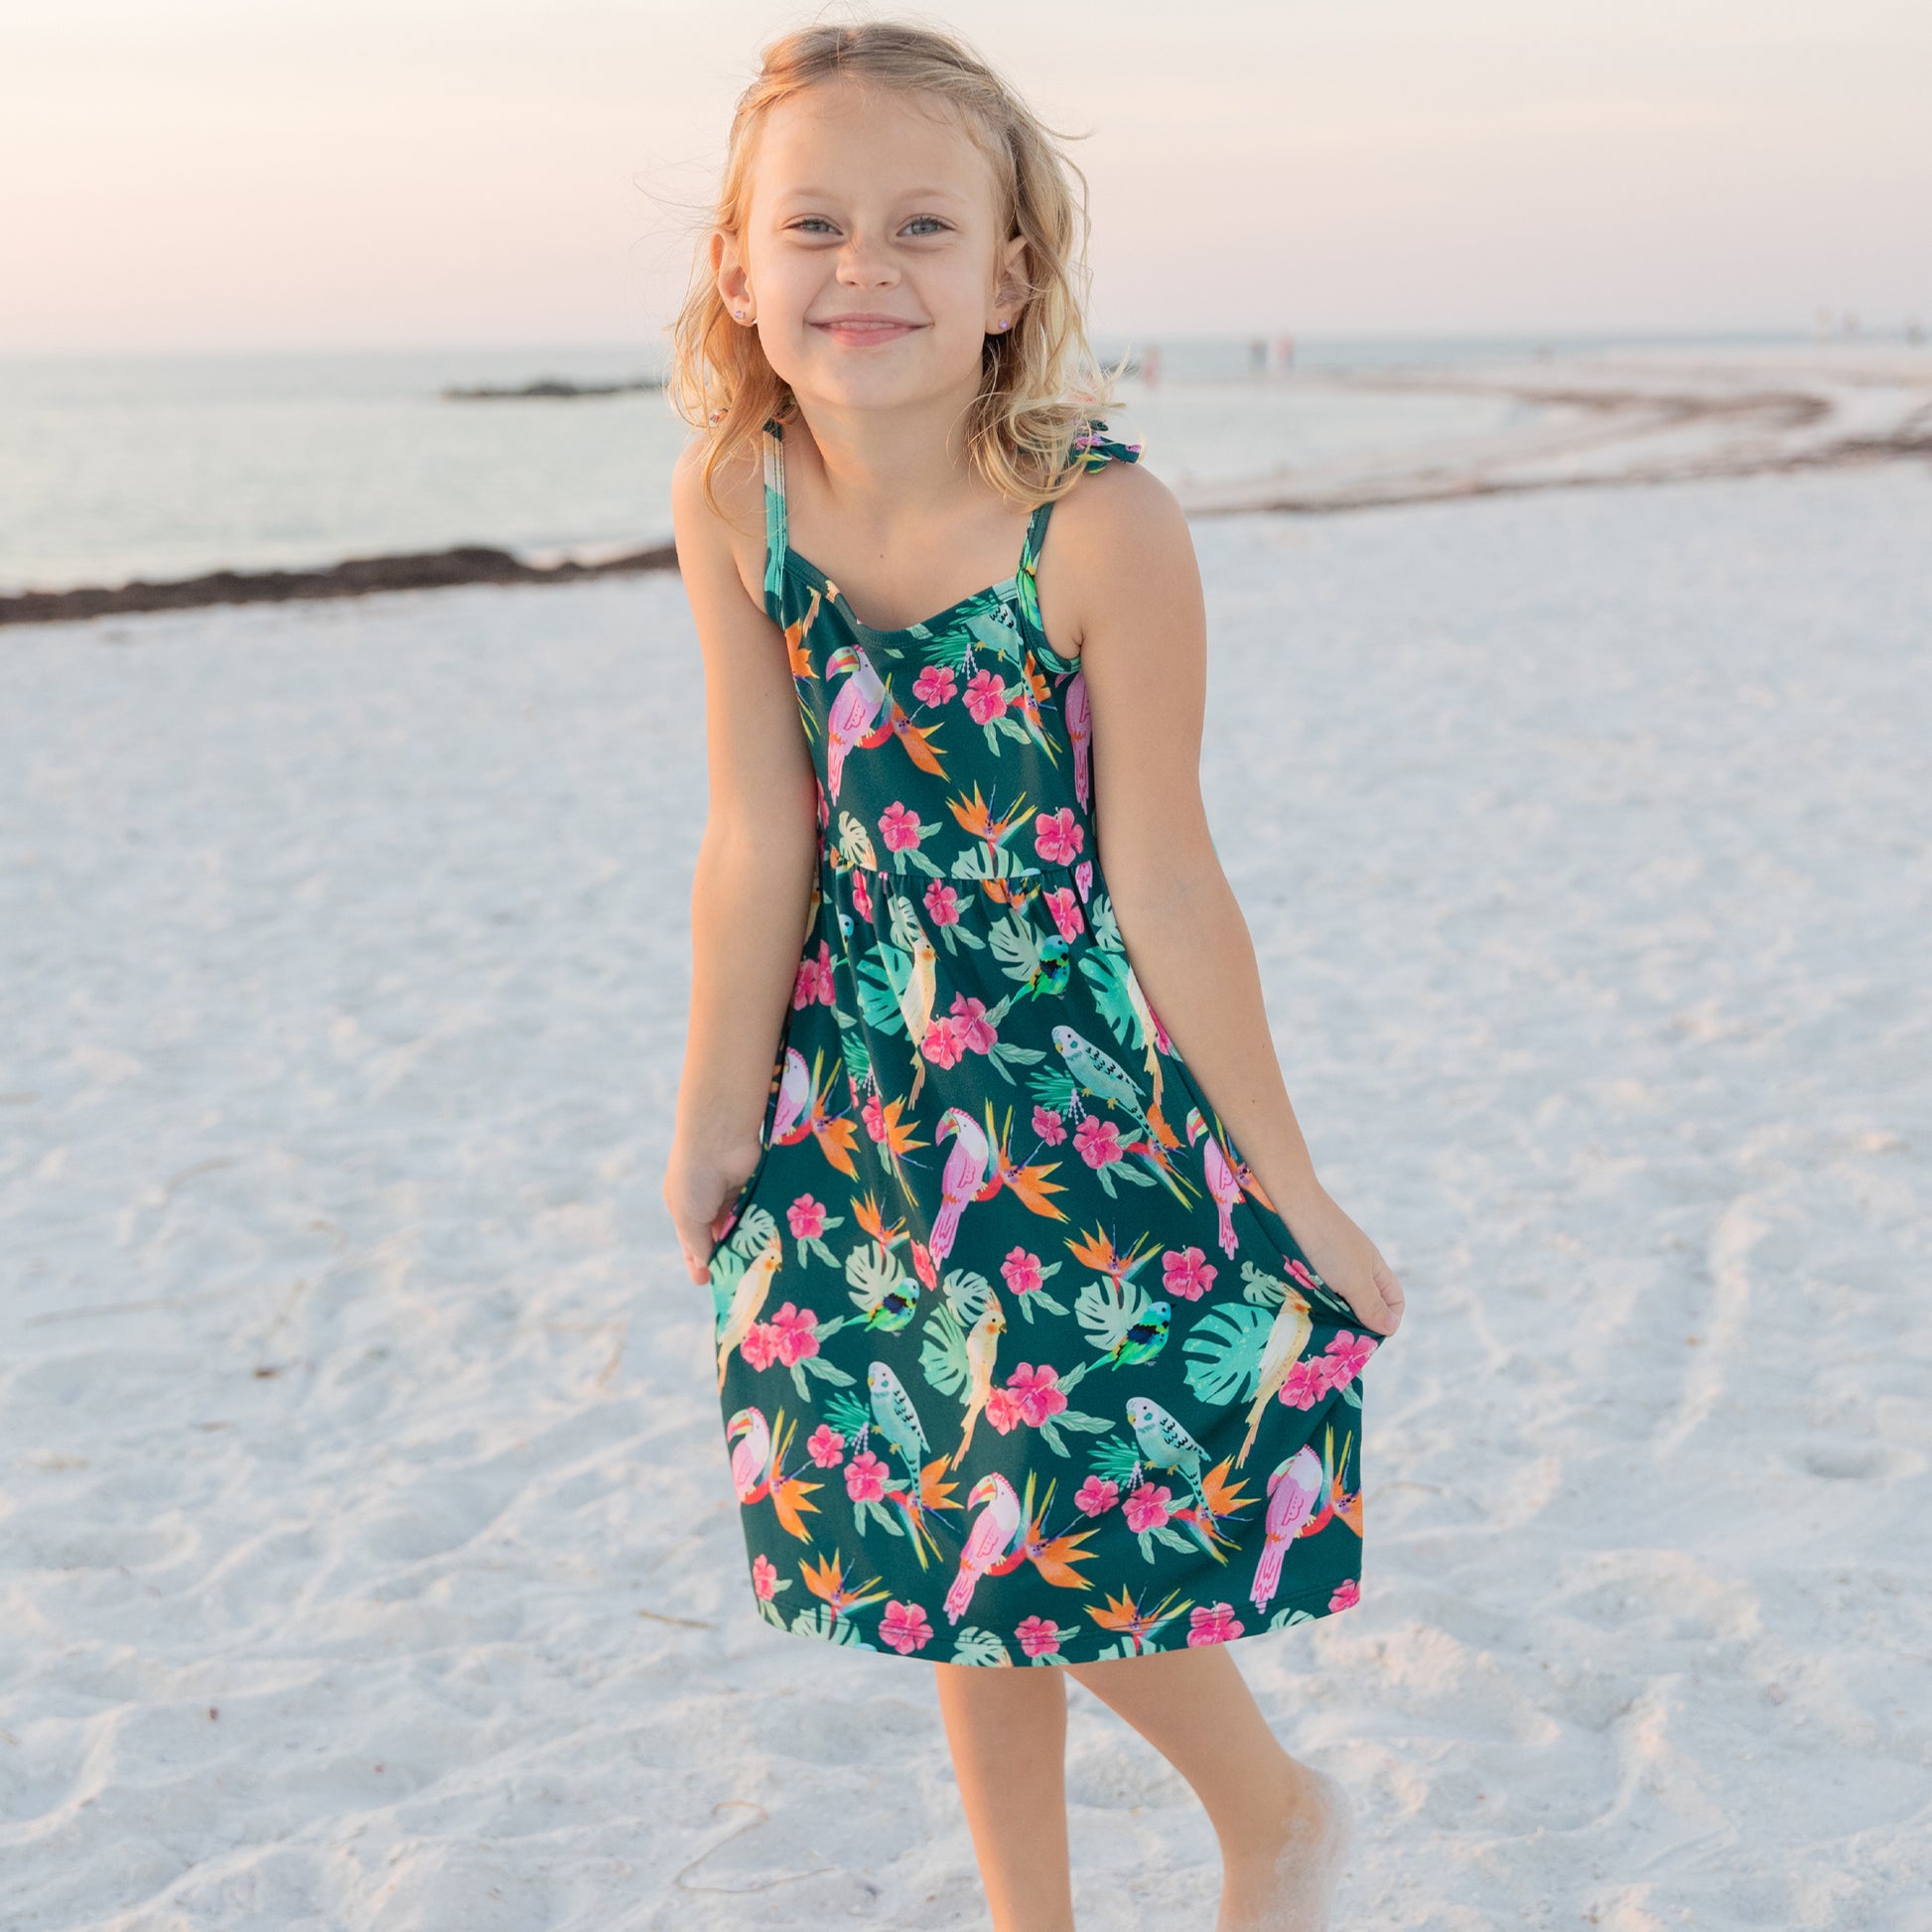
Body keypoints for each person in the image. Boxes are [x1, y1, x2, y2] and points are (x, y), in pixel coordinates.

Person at [661, 22, 1406, 1931]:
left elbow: (1165, 864)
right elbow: (762, 834)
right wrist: (713, 1116)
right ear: (736, 269)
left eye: (923, 225)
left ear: (1008, 281)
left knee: (1048, 1505)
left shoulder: (1101, 524)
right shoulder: (736, 501)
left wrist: (1291, 1176)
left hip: (1076, 1088)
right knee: (934, 1506)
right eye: (811, 224)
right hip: (857, 1083)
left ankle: (1271, 1811)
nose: (864, 266)